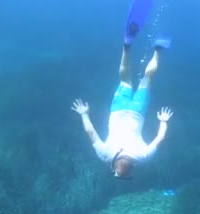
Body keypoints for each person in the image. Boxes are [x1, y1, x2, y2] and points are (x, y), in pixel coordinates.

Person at [71, 39, 173, 180]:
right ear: (113, 167)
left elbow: (160, 138)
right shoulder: (105, 155)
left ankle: (158, 49)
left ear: (131, 168)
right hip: (118, 109)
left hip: (138, 111)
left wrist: (163, 121)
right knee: (125, 80)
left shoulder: (142, 157)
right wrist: (84, 114)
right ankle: (127, 47)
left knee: (147, 79)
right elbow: (90, 131)